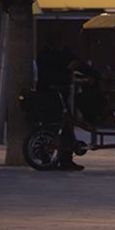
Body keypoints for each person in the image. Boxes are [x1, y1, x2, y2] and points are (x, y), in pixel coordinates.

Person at [36, 33, 83, 171]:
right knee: (51, 126)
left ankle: (66, 159)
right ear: (53, 43)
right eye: (59, 42)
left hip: (62, 94)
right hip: (49, 95)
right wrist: (67, 70)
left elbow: (77, 62)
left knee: (67, 125)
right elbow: (48, 75)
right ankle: (47, 159)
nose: (61, 45)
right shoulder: (45, 55)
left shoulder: (64, 51)